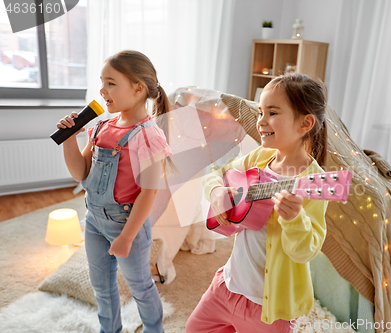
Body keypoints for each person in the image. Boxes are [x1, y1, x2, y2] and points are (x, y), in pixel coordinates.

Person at [186, 73, 329, 333]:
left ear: (305, 123)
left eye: (272, 113)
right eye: (260, 112)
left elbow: (306, 251)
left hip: (270, 309)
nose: (261, 122)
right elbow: (217, 171)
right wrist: (217, 191)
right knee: (194, 328)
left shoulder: (314, 183)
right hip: (228, 286)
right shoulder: (260, 157)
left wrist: (294, 220)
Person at [56, 50, 171, 333]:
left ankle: (154, 329)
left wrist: (126, 237)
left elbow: (148, 193)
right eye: (101, 82)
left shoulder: (148, 135)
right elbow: (81, 173)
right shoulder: (101, 127)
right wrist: (69, 139)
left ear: (138, 88)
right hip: (94, 219)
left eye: (110, 83)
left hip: (126, 224)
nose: (102, 90)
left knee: (140, 285)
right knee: (101, 286)